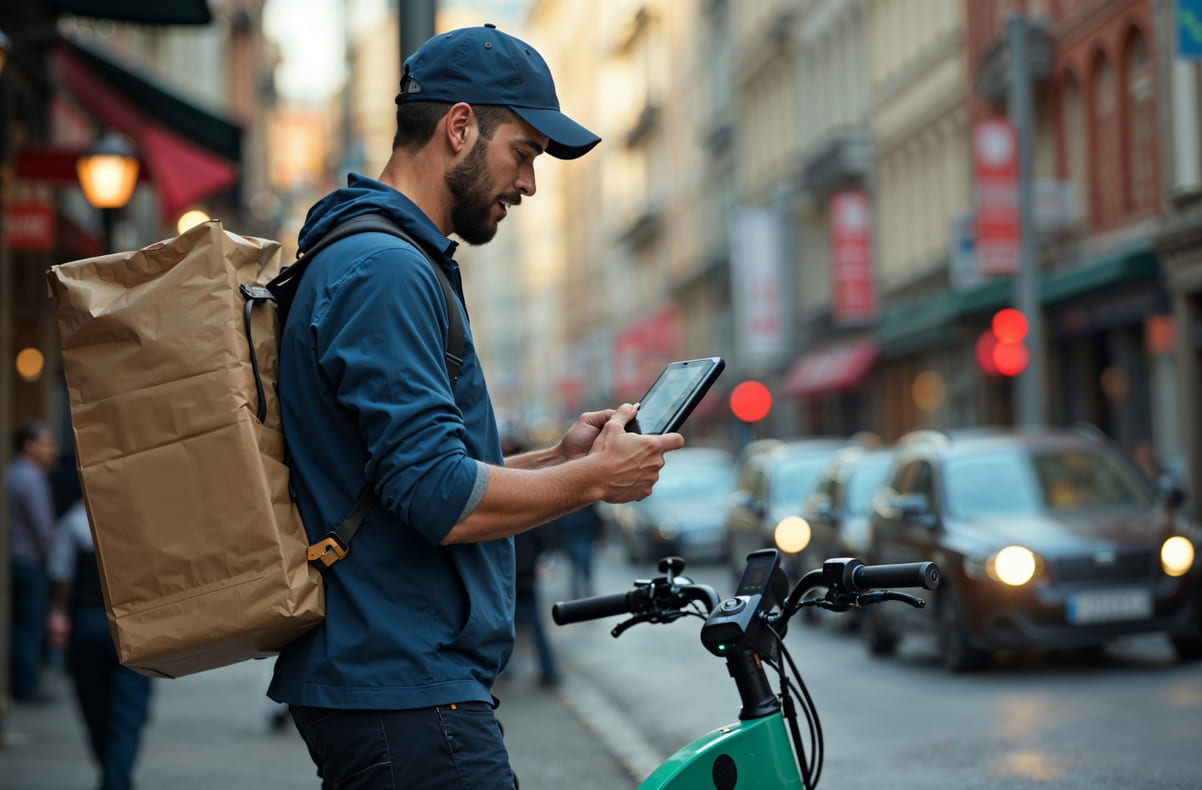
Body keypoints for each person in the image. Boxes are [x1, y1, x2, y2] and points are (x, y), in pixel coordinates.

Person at [267, 24, 684, 789]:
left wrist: (560, 461)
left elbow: (401, 478)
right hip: (404, 691)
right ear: (460, 127)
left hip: (396, 683)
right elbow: (437, 499)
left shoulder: (376, 256)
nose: (529, 183)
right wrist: (595, 482)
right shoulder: (385, 270)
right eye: (523, 153)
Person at [47, 499, 153, 790]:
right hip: (132, 625)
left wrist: (57, 611)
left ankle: (113, 776)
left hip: (88, 622)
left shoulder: (73, 521)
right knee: (129, 711)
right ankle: (116, 778)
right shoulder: (136, 518)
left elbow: (61, 572)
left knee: (93, 707)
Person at [7, 420, 58, 702]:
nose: (52, 449)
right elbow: (42, 528)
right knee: (28, 628)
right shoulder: (31, 478)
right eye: (47, 443)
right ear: (30, 445)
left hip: (15, 562)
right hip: (30, 563)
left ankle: (21, 681)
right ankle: (26, 685)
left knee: (20, 627)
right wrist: (54, 563)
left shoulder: (12, 473)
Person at [548, 503, 604, 599]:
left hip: (580, 538)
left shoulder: (575, 505)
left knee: (580, 567)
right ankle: (583, 591)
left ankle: (581, 592)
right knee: (581, 567)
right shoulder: (585, 505)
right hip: (577, 538)